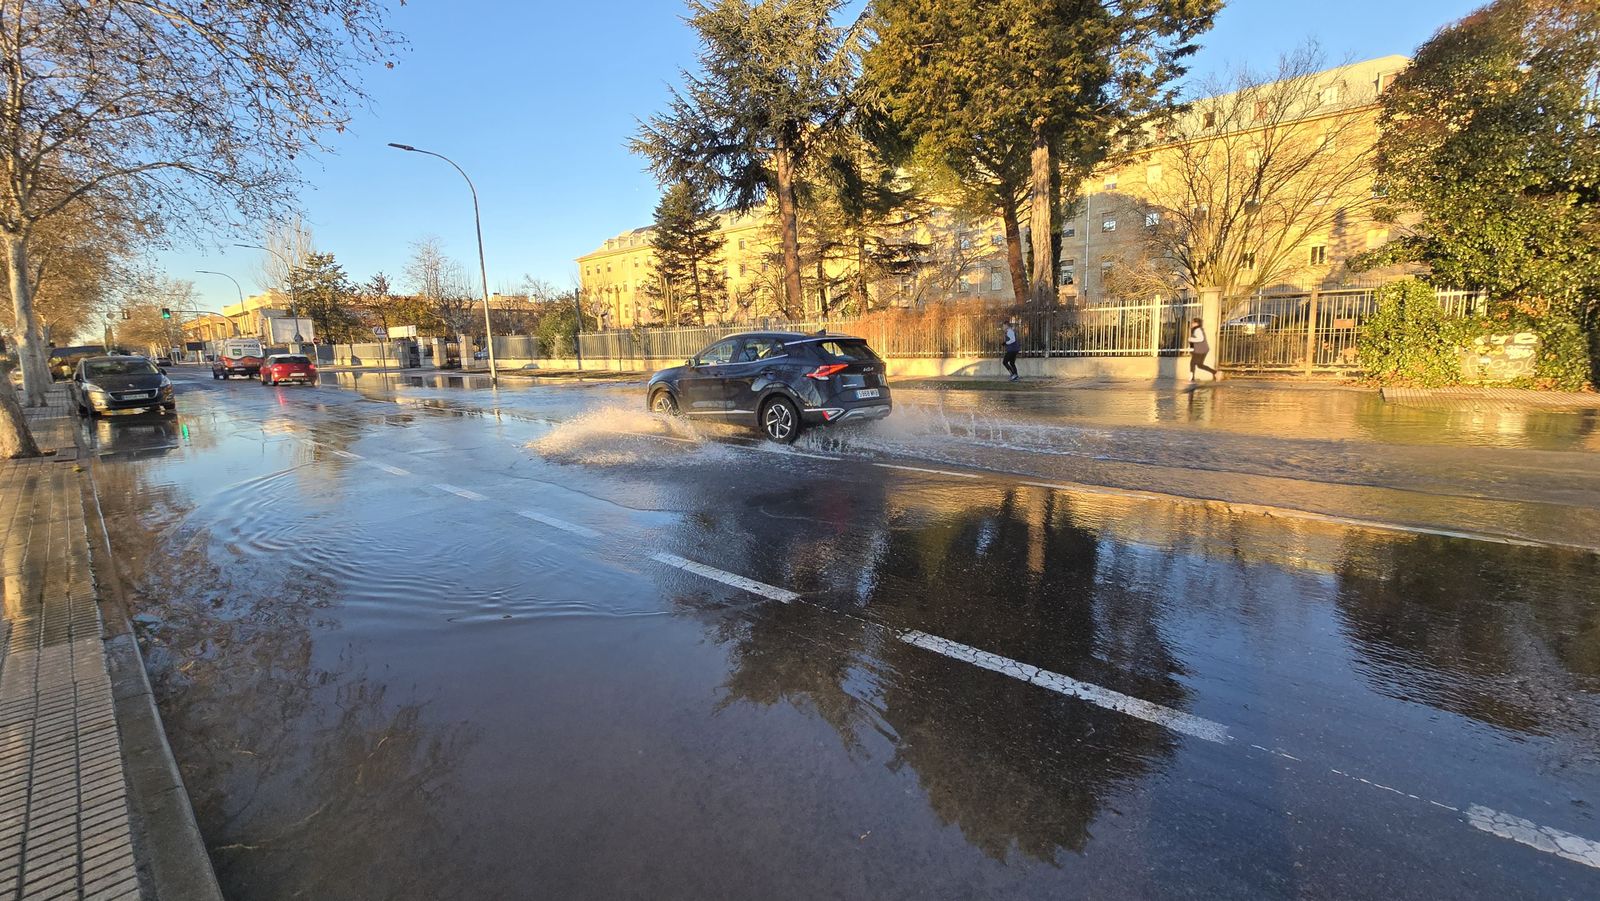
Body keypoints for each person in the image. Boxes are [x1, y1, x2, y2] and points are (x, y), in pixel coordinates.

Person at [1189, 317, 1218, 383]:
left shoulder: (1197, 330)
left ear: (1196, 323)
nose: (1191, 324)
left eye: (1193, 322)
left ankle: (1191, 378)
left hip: (1200, 350)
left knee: (1192, 363)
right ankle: (1215, 372)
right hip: (1203, 349)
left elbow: (1200, 339)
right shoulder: (1198, 329)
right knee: (1200, 365)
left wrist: (1190, 339)